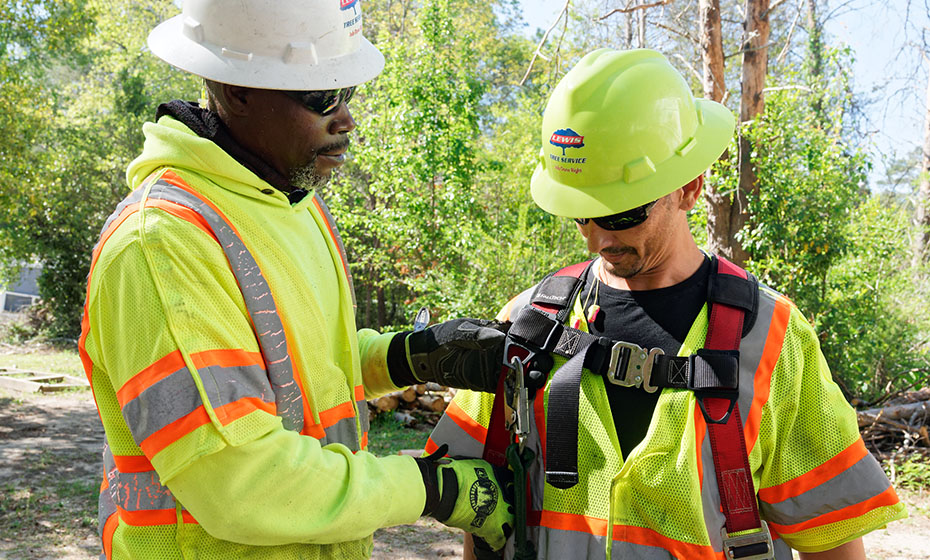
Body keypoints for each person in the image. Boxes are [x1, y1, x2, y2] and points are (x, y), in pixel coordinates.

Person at [426, 48, 907, 560]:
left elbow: (829, 541)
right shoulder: (530, 321)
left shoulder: (769, 337)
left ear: (689, 188)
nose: (595, 242)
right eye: (581, 216)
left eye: (618, 216)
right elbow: (480, 511)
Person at [79, 1, 515, 558]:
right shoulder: (163, 244)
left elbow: (298, 372)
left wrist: (407, 357)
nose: (347, 120)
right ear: (235, 88)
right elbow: (244, 484)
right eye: (321, 97)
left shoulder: (291, 202)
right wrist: (430, 487)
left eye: (348, 93)